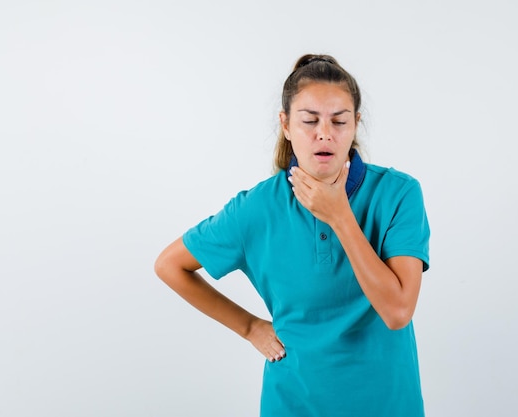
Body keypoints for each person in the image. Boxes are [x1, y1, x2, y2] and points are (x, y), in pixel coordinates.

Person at [154, 54, 431, 417]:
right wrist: (250, 327)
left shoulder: (398, 194)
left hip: (387, 403)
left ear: (355, 124)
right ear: (285, 124)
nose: (324, 133)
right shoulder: (256, 208)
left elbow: (397, 311)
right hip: (292, 403)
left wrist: (340, 217)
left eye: (339, 121)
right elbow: (170, 266)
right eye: (309, 120)